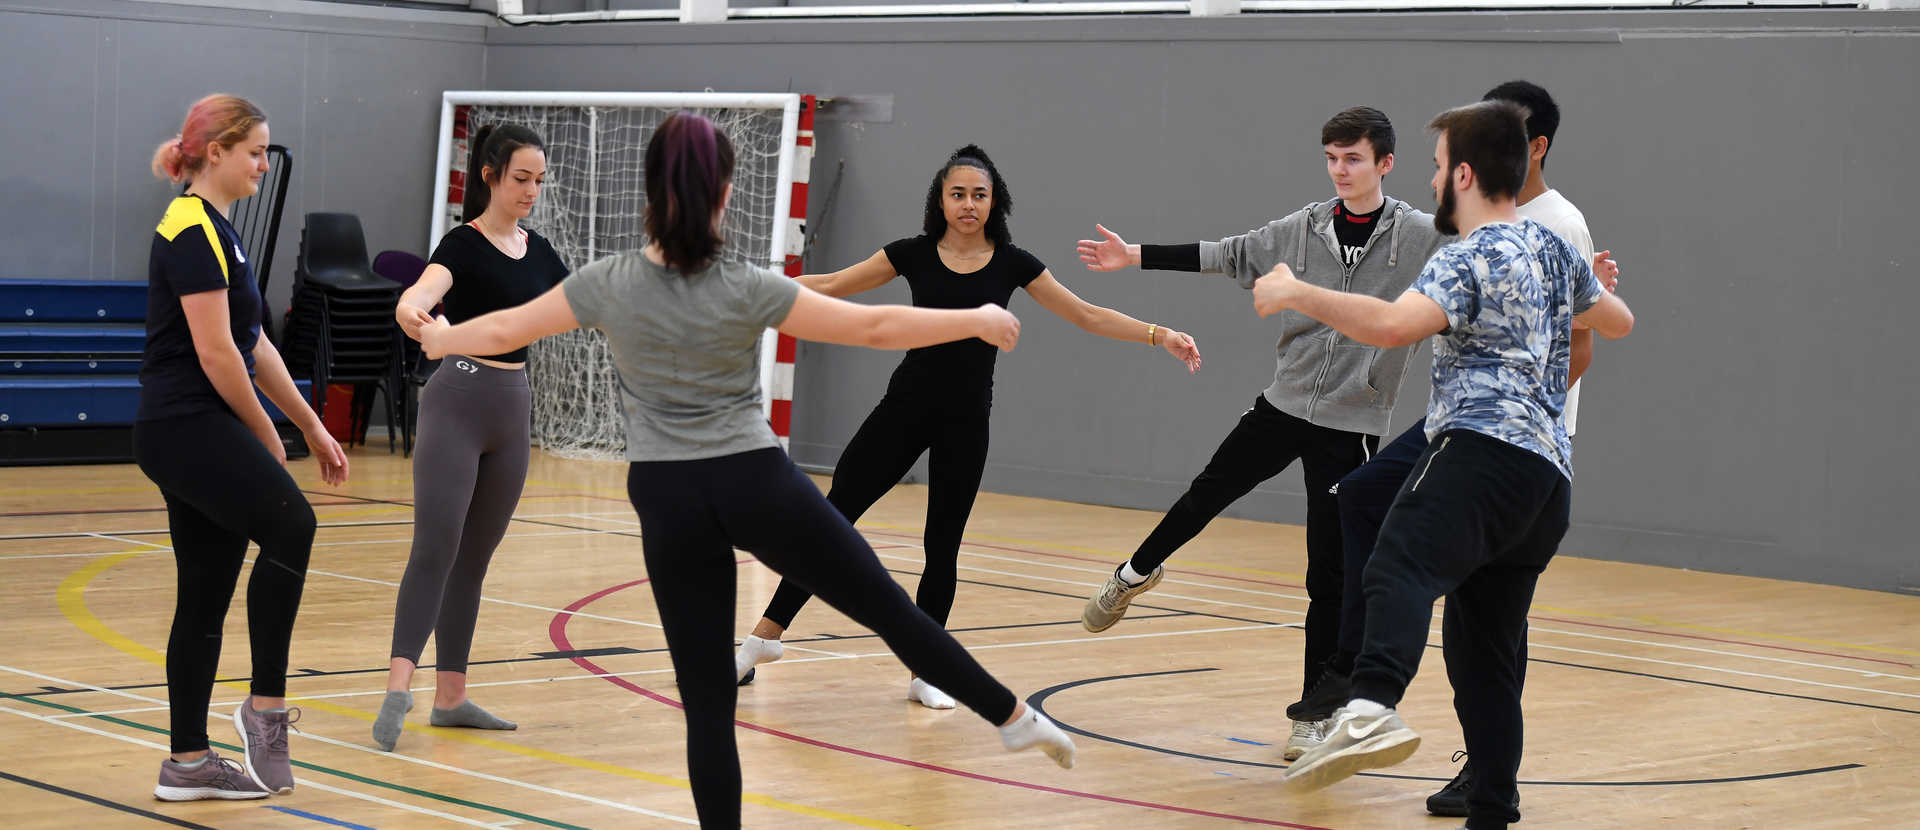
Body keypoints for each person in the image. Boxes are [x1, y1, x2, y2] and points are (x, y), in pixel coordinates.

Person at [418, 113, 1075, 829]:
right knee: (885, 605)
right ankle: (1007, 713)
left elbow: (507, 328)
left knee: (709, 708)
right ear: (725, 192)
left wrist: (443, 334)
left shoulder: (607, 282)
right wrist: (974, 318)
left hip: (667, 498)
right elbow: (876, 328)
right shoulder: (746, 283)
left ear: (652, 193)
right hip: (753, 481)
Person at [1263, 101, 1634, 830]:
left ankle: (1370, 708)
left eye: (1436, 167)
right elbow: (1618, 321)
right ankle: (1491, 807)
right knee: (1483, 657)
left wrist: (1296, 291)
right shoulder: (1550, 252)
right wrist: (1586, 293)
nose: (1433, 179)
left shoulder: (1472, 255)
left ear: (1463, 174)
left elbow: (1396, 326)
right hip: (1545, 482)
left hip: (1480, 453)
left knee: (1397, 565)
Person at [733, 144, 1203, 709]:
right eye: (958, 194)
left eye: (980, 195)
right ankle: (764, 639)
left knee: (942, 547)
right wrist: (755, 286)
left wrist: (1161, 334)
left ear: (994, 202)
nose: (968, 204)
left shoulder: (1015, 263)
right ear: (940, 200)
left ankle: (926, 671)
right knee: (832, 521)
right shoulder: (910, 253)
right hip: (901, 412)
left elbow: (1088, 314)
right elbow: (832, 284)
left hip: (966, 422)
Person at [1073, 107, 1449, 760]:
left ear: (1385, 163)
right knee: (1206, 492)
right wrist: (1132, 256)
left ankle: (1312, 717)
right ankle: (1133, 574)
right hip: (1284, 405)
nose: (1340, 170)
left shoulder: (1420, 235)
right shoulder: (1303, 229)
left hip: (1352, 425)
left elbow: (1483, 248)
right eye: (1331, 157)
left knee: (1328, 577)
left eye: (1353, 158)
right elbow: (1227, 255)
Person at [140, 93, 349, 801]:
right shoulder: (189, 227)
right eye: (256, 150)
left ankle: (188, 764)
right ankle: (264, 710)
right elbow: (216, 352)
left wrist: (312, 423)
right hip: (184, 423)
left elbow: (254, 341)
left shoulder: (220, 232)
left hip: (195, 425)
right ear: (217, 152)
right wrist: (267, 433)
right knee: (292, 522)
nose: (265, 162)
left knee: (205, 590)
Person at [372, 123, 570, 752]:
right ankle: (398, 685)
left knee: (475, 561)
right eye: (520, 179)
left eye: (539, 180)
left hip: (513, 411)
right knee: (435, 547)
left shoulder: (540, 252)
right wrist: (413, 312)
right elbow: (421, 294)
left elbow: (580, 303)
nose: (531, 191)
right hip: (456, 398)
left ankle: (451, 696)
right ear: (489, 176)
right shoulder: (461, 244)